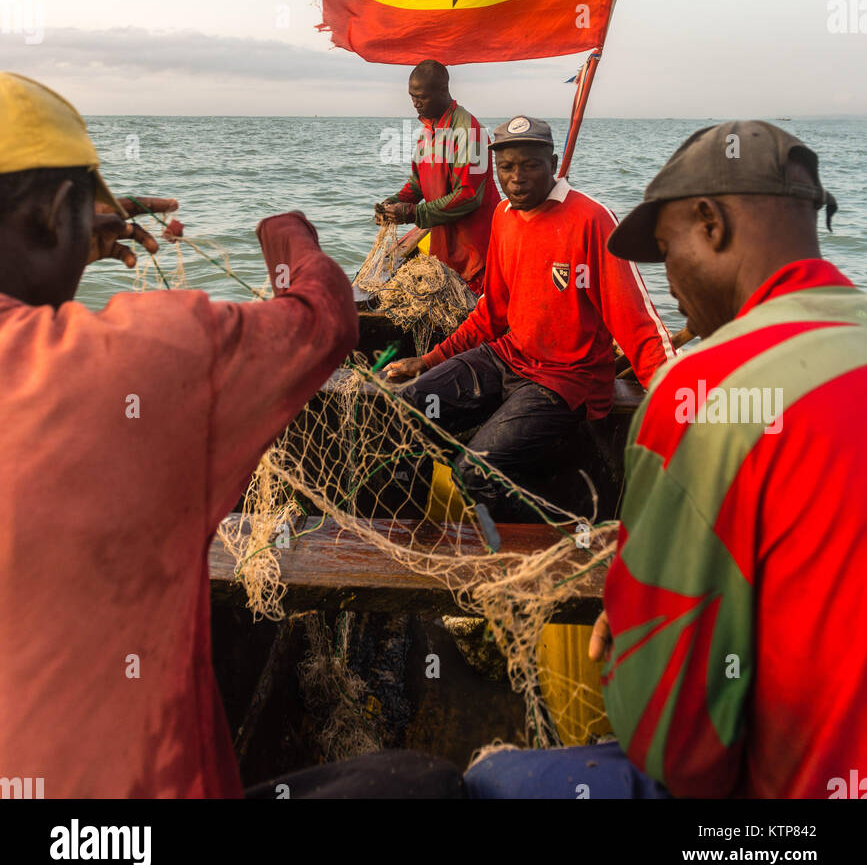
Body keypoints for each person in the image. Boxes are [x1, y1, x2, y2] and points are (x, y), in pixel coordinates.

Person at [465, 119, 867, 800]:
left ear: (709, 223)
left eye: (664, 250)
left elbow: (675, 746)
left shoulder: (703, 392)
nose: (667, 287)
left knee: (487, 781)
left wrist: (639, 633)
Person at [0, 72, 357, 799]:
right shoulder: (135, 359)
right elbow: (322, 318)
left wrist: (61, 234)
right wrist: (285, 232)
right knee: (424, 782)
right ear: (59, 209)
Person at [384, 115, 674, 521]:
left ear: (553, 163)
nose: (516, 178)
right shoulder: (503, 216)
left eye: (530, 165)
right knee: (409, 406)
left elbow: (637, 324)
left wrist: (674, 401)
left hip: (566, 378)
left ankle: (569, 539)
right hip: (508, 356)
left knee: (475, 472)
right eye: (506, 167)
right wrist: (430, 360)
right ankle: (414, 533)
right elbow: (492, 313)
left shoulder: (591, 219)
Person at [374, 59, 499, 294]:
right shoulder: (429, 131)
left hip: (475, 251)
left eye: (421, 97)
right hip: (444, 249)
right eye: (412, 96)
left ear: (443, 91)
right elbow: (417, 183)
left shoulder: (471, 132)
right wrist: (393, 203)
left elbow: (469, 196)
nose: (415, 103)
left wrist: (413, 213)